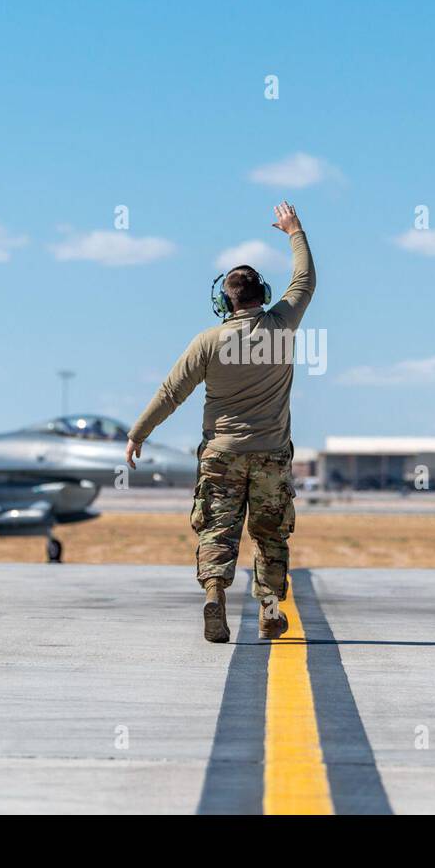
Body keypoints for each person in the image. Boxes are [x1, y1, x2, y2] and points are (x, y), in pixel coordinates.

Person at [125, 201, 315, 642]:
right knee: (269, 535)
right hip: (270, 456)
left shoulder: (207, 341)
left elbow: (171, 392)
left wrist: (138, 434)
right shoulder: (282, 325)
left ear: (222, 301)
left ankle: (214, 594)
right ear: (263, 296)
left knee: (218, 528)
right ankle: (269, 609)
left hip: (221, 455)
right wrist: (294, 230)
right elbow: (305, 280)